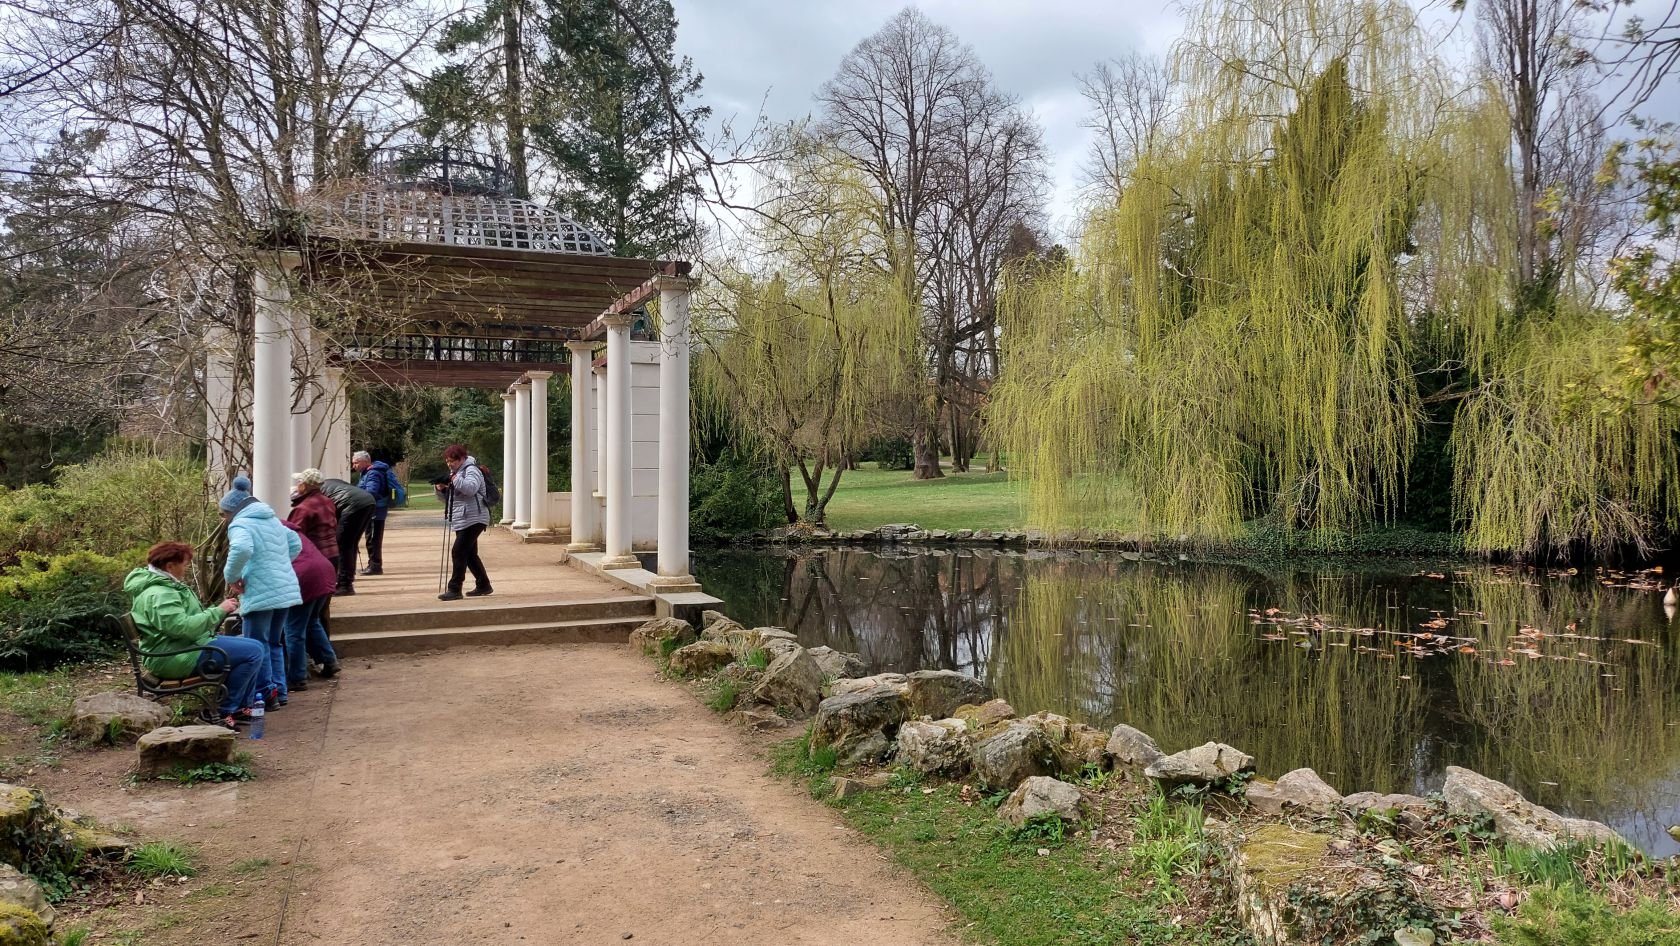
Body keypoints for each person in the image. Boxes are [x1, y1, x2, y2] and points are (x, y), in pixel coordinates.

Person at [125, 541, 267, 729]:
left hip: (185, 646)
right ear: (170, 566)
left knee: (255, 646)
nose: (186, 569)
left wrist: (216, 611)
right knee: (252, 652)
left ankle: (239, 707)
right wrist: (218, 611)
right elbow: (181, 628)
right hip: (172, 656)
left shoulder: (166, 585)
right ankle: (220, 712)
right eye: (184, 564)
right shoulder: (160, 593)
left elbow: (184, 625)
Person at [220, 473, 302, 707]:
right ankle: (280, 691)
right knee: (274, 642)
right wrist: (279, 564)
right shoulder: (271, 519)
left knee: (256, 644)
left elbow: (242, 549)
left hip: (259, 591)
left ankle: (266, 693)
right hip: (284, 588)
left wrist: (232, 577)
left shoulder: (241, 524)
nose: (224, 519)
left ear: (232, 511)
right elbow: (295, 543)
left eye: (224, 514)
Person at [282, 520, 340, 690]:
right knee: (312, 621)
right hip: (324, 571)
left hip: (303, 577)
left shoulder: (263, 532)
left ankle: (297, 677)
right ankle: (329, 660)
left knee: (293, 630)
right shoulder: (289, 529)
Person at [435, 443, 492, 601]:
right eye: (447, 461)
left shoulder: (471, 470)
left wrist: (454, 478)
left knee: (458, 551)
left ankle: (455, 589)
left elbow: (470, 489)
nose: (449, 464)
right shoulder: (457, 472)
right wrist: (442, 489)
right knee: (470, 554)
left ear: (462, 459)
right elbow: (454, 497)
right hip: (463, 517)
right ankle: (483, 584)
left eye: (452, 460)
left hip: (475, 517)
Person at [318, 476, 377, 595]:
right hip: (367, 501)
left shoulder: (317, 493)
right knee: (350, 544)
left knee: (343, 545)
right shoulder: (330, 482)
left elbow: (327, 516)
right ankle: (347, 578)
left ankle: (345, 585)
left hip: (352, 505)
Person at [287, 469, 340, 568]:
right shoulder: (328, 501)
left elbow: (293, 536)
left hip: (315, 557)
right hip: (333, 554)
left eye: (299, 482)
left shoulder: (303, 508)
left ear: (304, 486)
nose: (297, 485)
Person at [352, 450, 393, 576]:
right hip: (375, 510)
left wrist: (357, 495)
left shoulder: (373, 473)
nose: (354, 466)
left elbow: (372, 492)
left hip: (376, 511)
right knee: (371, 538)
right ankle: (373, 564)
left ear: (365, 462)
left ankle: (375, 565)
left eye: (356, 463)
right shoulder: (368, 472)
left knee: (373, 539)